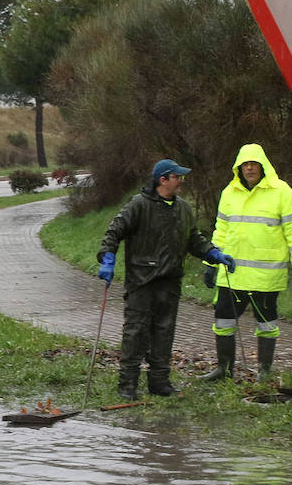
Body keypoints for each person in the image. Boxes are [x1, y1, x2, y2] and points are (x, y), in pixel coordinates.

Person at [97, 158, 234, 400]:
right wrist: (108, 257)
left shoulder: (183, 208)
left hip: (170, 281)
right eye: (177, 177)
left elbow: (194, 239)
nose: (181, 181)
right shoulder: (138, 205)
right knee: (135, 333)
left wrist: (213, 254)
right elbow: (114, 230)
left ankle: (159, 382)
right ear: (163, 180)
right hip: (141, 281)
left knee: (164, 333)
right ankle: (127, 385)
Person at [202, 143, 292, 382]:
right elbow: (221, 229)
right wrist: (211, 262)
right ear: (238, 168)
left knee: (266, 324)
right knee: (223, 321)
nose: (249, 168)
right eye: (245, 164)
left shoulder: (282, 192)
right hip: (231, 274)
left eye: (254, 164)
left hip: (265, 275)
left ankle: (264, 372)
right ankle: (223, 369)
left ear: (263, 166)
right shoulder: (229, 192)